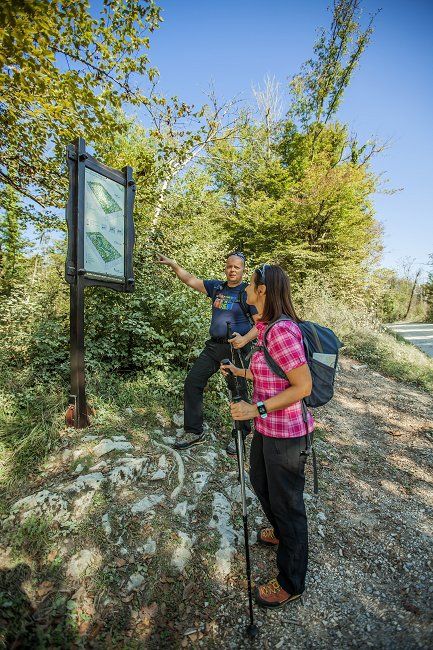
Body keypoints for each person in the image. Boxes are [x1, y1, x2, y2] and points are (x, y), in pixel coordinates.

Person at [221, 264, 314, 608]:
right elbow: (271, 373)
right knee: (261, 483)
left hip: (286, 434)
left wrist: (254, 409)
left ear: (262, 291)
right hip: (267, 428)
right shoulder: (265, 328)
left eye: (251, 284)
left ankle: (291, 581)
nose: (246, 289)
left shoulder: (282, 332)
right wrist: (239, 370)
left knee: (288, 505)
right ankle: (279, 530)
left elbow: (302, 386)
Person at [155, 251, 259, 453]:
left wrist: (245, 339)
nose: (232, 270)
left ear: (243, 270)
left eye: (237, 267)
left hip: (236, 349)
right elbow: (191, 280)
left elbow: (261, 324)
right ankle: (194, 431)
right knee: (193, 381)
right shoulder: (217, 287)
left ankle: (240, 435)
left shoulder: (248, 292)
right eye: (229, 266)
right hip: (213, 347)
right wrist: (173, 264)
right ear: (225, 268)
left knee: (238, 391)